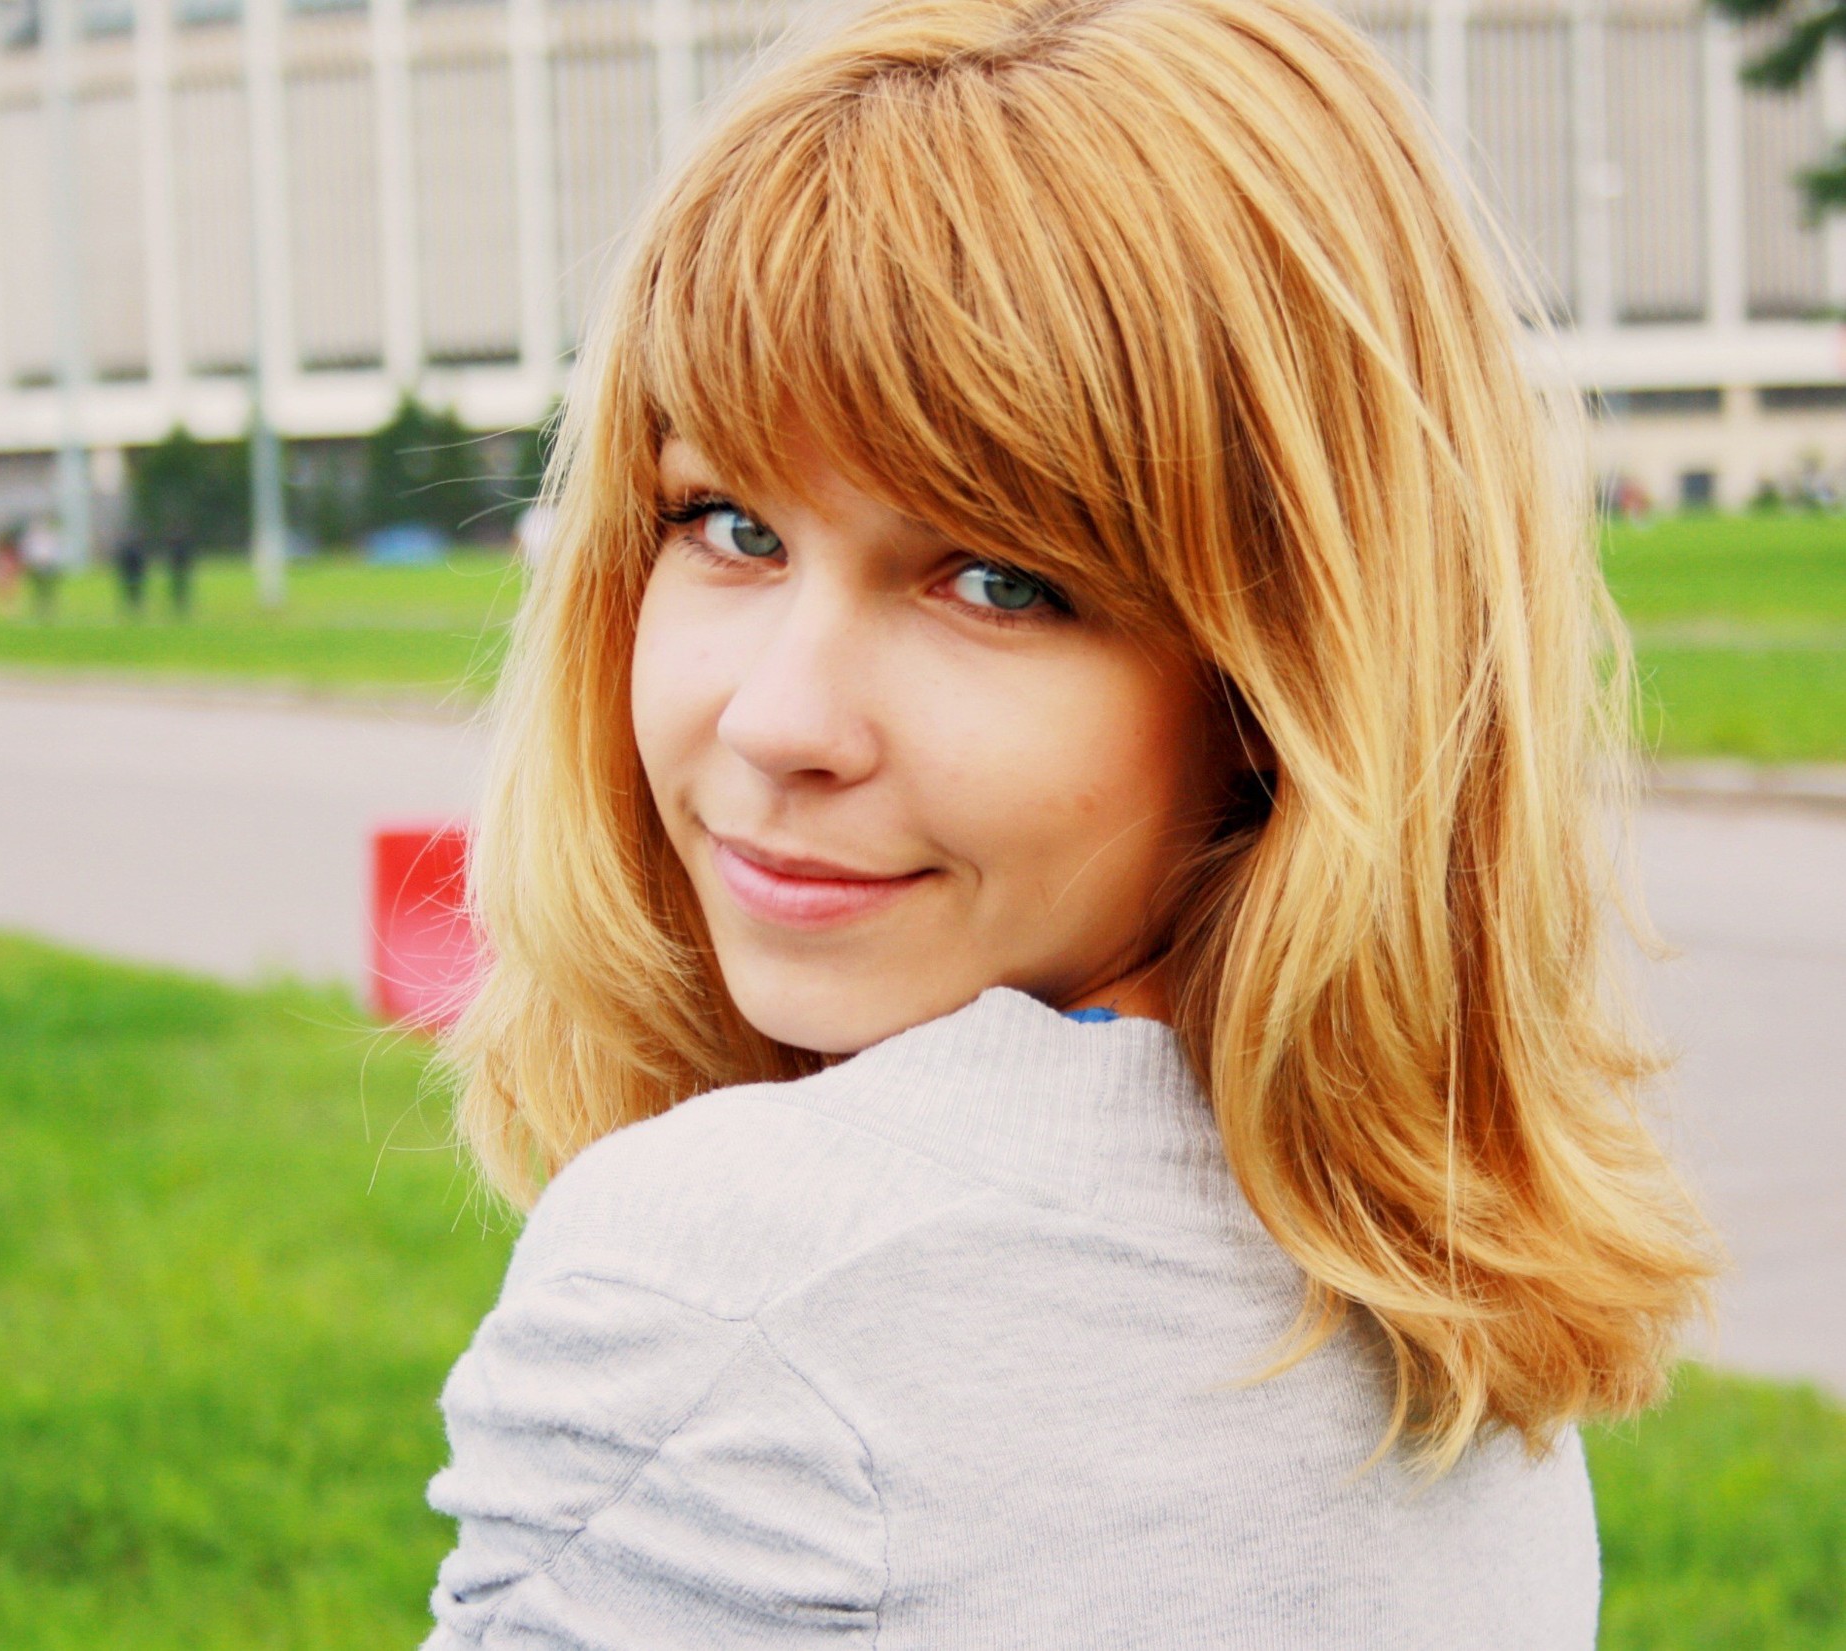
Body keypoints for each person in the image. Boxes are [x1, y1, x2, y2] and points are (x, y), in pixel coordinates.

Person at [419, 0, 1716, 1646]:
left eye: (998, 580)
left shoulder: (734, 1283)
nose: (778, 720)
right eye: (730, 524)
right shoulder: (1438, 1292)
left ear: (1288, 678)